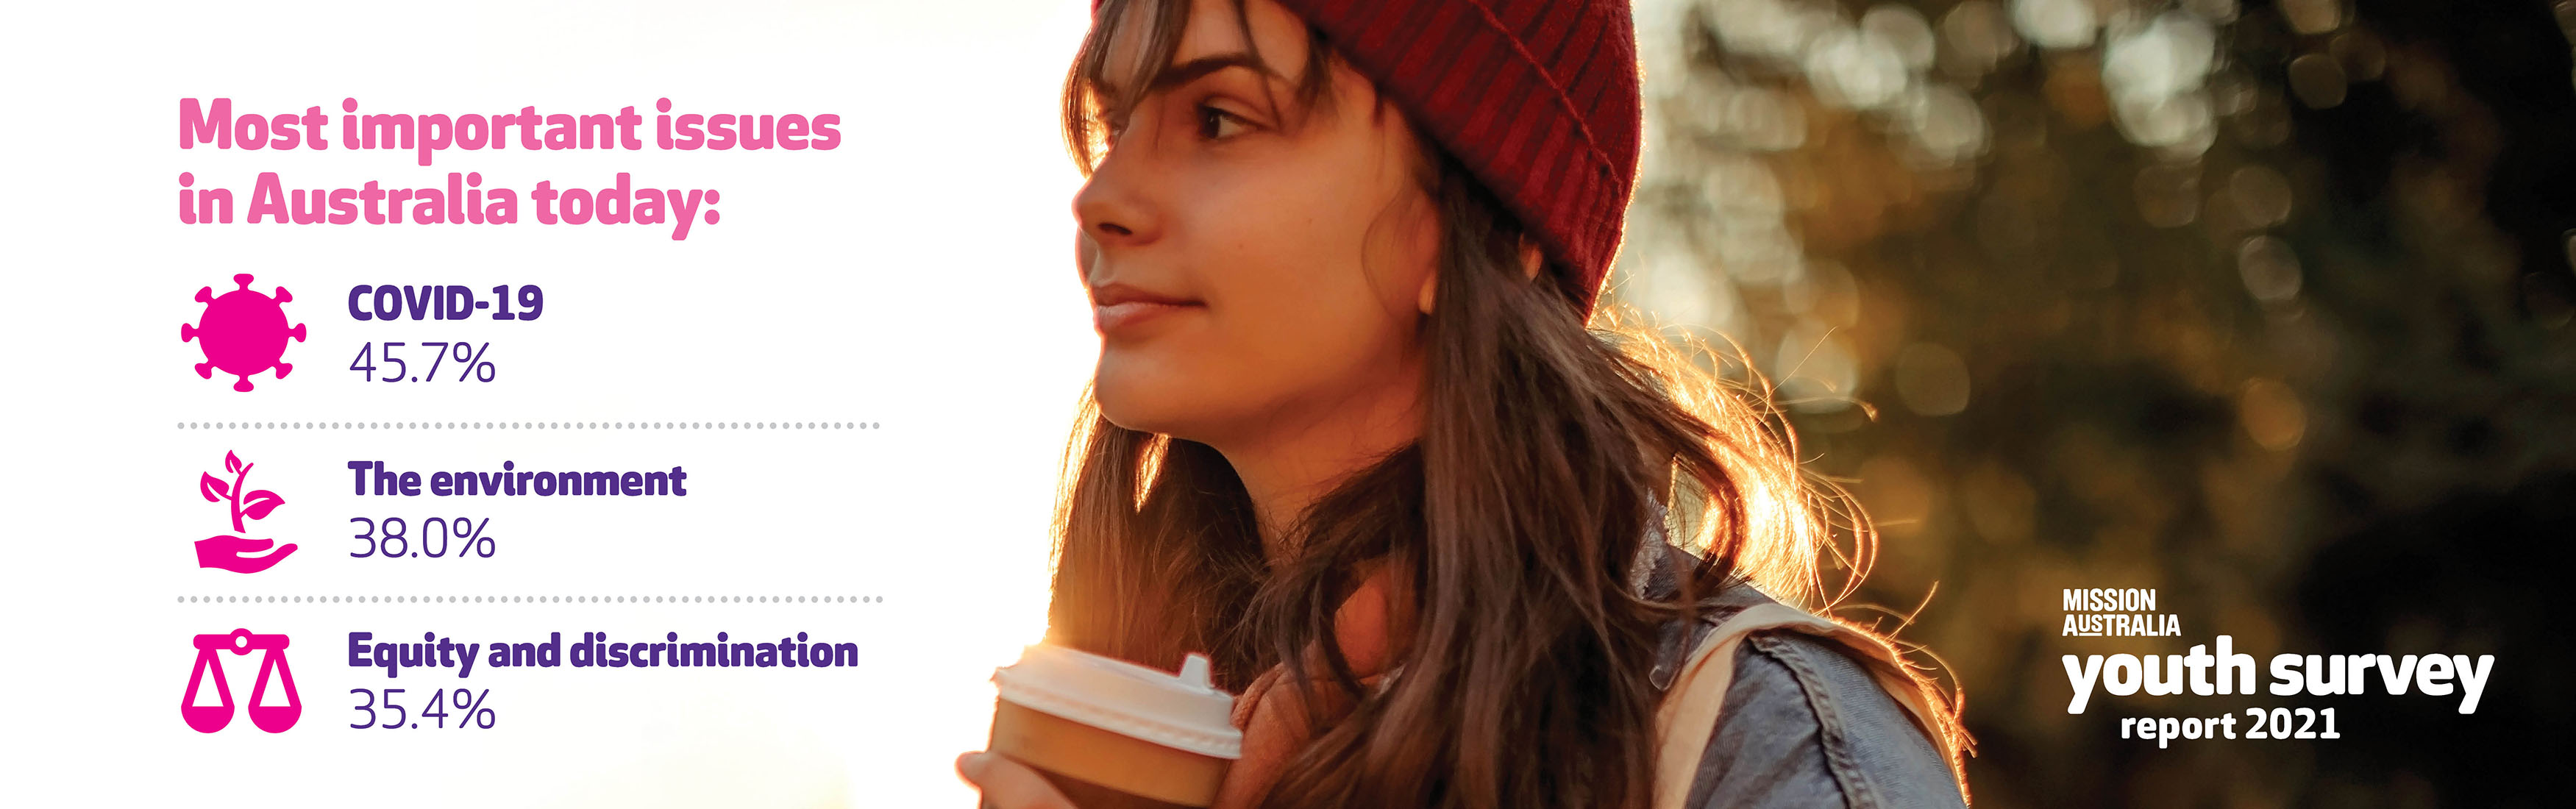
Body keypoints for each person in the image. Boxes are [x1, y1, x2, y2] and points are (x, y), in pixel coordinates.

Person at [958, 0, 1972, 806]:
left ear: (1472, 219)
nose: (1100, 197)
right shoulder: (1133, 719)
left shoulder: (1759, 745)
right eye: (1114, 124)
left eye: (1219, 118)